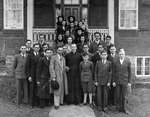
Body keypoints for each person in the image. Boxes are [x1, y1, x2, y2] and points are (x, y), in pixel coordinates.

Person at [113, 48, 131, 113]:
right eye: (120, 54)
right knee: (117, 95)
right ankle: (118, 109)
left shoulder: (128, 61)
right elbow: (113, 72)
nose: (121, 55)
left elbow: (130, 72)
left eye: (122, 54)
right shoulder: (115, 61)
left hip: (125, 81)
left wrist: (129, 82)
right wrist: (114, 81)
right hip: (117, 81)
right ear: (118, 55)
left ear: (124, 54)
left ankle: (124, 109)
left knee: (124, 96)